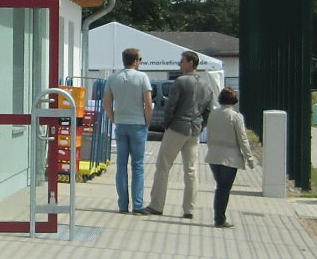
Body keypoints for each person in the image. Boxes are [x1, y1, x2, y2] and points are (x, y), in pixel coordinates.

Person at [140, 50, 218, 218]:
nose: (179, 64)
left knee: (163, 166)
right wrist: (201, 126)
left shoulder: (180, 82)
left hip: (177, 127)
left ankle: (157, 205)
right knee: (191, 170)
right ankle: (189, 209)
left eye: (182, 61)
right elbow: (208, 111)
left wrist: (167, 125)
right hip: (194, 130)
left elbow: (171, 106)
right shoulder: (206, 86)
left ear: (190, 63)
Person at [101, 47, 154, 213]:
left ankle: (123, 205)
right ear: (136, 61)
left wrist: (113, 118)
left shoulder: (113, 78)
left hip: (121, 123)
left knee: (121, 165)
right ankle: (137, 205)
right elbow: (148, 102)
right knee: (137, 165)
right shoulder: (142, 77)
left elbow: (106, 102)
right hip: (138, 123)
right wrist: (147, 121)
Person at [202, 86, 256, 229]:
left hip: (213, 156)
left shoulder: (213, 114)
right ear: (234, 100)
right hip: (230, 158)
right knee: (224, 189)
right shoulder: (236, 117)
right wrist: (249, 158)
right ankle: (220, 219)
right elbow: (242, 139)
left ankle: (219, 217)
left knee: (220, 187)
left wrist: (211, 149)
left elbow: (209, 136)